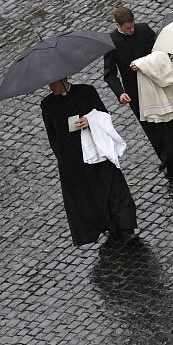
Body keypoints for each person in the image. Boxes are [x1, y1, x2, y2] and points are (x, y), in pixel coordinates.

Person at [103, 7, 173, 186]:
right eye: (127, 29)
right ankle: (170, 165)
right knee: (155, 133)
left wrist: (145, 64)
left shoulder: (144, 30)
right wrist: (120, 93)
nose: (132, 31)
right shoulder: (111, 42)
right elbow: (109, 74)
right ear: (118, 25)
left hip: (158, 86)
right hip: (136, 95)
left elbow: (161, 51)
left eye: (132, 27)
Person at [41, 78, 139, 246]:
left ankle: (126, 228)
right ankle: (110, 228)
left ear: (64, 79)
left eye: (54, 83)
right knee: (93, 196)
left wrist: (89, 120)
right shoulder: (48, 105)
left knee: (114, 190)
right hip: (75, 160)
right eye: (49, 83)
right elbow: (53, 137)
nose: (51, 86)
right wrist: (64, 160)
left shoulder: (86, 91)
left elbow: (103, 115)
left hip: (97, 152)